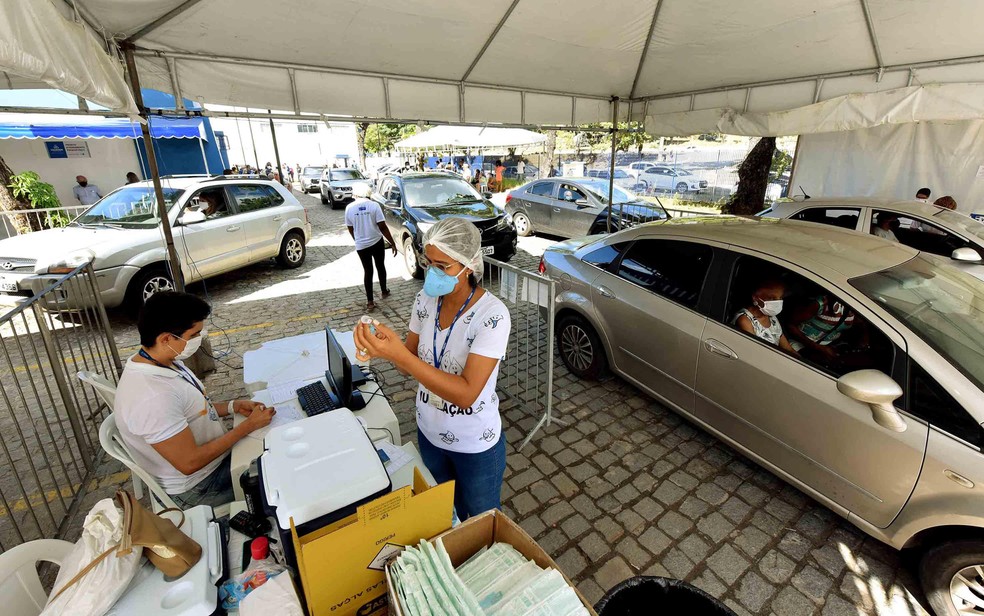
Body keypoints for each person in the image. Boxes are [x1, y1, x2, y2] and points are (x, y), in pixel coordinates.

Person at [354, 218, 511, 521]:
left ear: (469, 266)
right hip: (429, 434)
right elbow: (406, 365)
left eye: (443, 266)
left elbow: (466, 394)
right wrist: (383, 347)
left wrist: (401, 355)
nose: (433, 273)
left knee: (481, 519)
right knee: (441, 514)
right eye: (429, 263)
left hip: (474, 444)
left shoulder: (493, 316)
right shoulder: (424, 300)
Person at [114, 292, 276, 509]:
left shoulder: (161, 360)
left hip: (212, 466)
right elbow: (189, 462)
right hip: (201, 487)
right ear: (166, 339)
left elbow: (191, 409)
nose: (199, 339)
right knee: (281, 471)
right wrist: (248, 426)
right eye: (193, 335)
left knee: (276, 444)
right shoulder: (152, 397)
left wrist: (232, 406)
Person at [346, 184, 398, 311]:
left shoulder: (349, 208)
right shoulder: (374, 206)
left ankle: (370, 301)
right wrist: (392, 242)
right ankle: (384, 290)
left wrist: (357, 239)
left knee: (368, 271)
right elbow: (382, 226)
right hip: (376, 241)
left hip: (361, 245)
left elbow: (350, 228)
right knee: (380, 266)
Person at [733, 279, 798, 356]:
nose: (777, 303)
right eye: (772, 298)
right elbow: (754, 352)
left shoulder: (772, 317)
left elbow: (787, 348)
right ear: (755, 298)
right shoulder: (745, 320)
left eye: (780, 298)